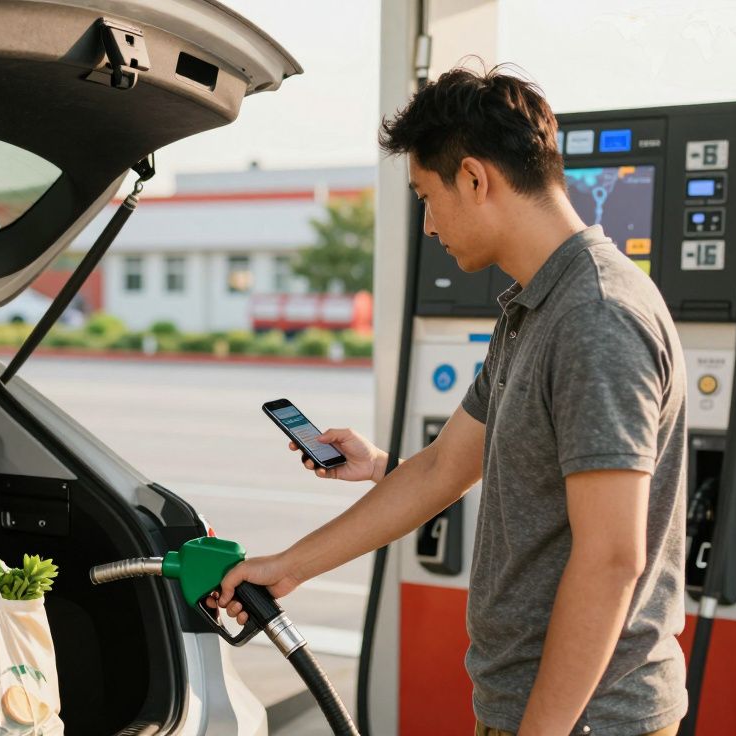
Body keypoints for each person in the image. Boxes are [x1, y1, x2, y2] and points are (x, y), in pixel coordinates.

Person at [211, 66, 688, 736]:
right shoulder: (532, 308)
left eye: (426, 198)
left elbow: (613, 558)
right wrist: (288, 567)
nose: (429, 226)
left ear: (473, 177)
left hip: (589, 720)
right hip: (533, 707)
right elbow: (442, 468)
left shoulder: (596, 317)